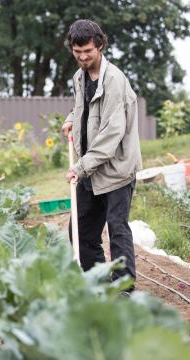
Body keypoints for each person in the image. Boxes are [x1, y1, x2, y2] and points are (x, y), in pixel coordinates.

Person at [60, 19, 142, 294]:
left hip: (116, 168)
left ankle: (123, 289)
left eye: (88, 52)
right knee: (80, 232)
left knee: (117, 229)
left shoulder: (115, 81)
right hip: (91, 169)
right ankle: (98, 280)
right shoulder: (79, 77)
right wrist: (72, 118)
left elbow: (110, 135)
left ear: (100, 46)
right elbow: (83, 108)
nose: (83, 57)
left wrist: (80, 167)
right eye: (77, 52)